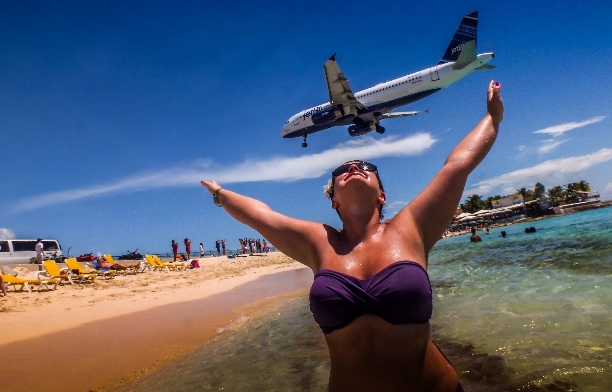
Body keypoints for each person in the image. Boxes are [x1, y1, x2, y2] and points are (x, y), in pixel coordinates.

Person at [202, 81, 503, 392]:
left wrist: (493, 117)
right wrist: (220, 194)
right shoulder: (319, 242)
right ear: (333, 200)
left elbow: (457, 167)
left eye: (366, 166)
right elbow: (262, 217)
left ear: (382, 195)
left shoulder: (410, 228)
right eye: (342, 169)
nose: (355, 167)